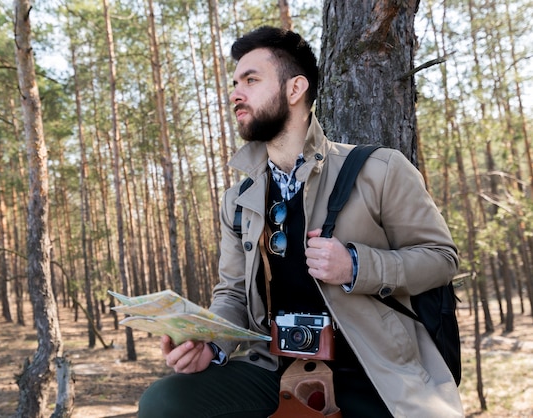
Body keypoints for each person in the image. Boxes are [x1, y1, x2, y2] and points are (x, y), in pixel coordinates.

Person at [138, 26, 463, 418]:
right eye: (235, 82)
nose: (235, 94)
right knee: (164, 402)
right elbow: (233, 294)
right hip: (274, 368)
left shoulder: (379, 170)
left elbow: (441, 259)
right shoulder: (237, 201)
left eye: (251, 80)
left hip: (373, 369)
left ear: (295, 90)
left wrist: (357, 266)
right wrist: (211, 343)